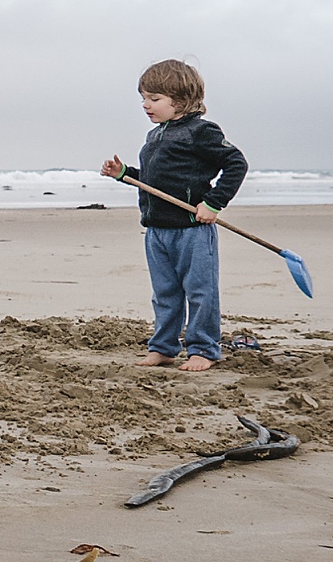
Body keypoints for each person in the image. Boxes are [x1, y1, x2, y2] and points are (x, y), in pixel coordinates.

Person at [101, 59, 247, 371]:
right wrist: (125, 173)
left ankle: (203, 350)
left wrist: (213, 203)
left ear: (180, 100)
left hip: (191, 229)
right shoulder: (155, 136)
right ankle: (164, 347)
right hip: (157, 229)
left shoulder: (201, 131)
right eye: (143, 98)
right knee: (165, 293)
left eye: (154, 99)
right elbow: (156, 183)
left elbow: (236, 163)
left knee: (200, 292)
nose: (145, 105)